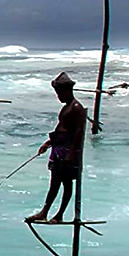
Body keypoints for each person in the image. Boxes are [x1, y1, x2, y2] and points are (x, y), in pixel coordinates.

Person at [26, 72, 87, 224]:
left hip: (68, 150)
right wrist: (48, 143)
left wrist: (71, 153)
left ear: (67, 91)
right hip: (59, 147)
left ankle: (59, 214)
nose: (58, 96)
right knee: (54, 182)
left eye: (59, 93)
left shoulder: (77, 108)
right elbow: (61, 128)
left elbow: (78, 133)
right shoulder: (65, 108)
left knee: (66, 183)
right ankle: (45, 211)